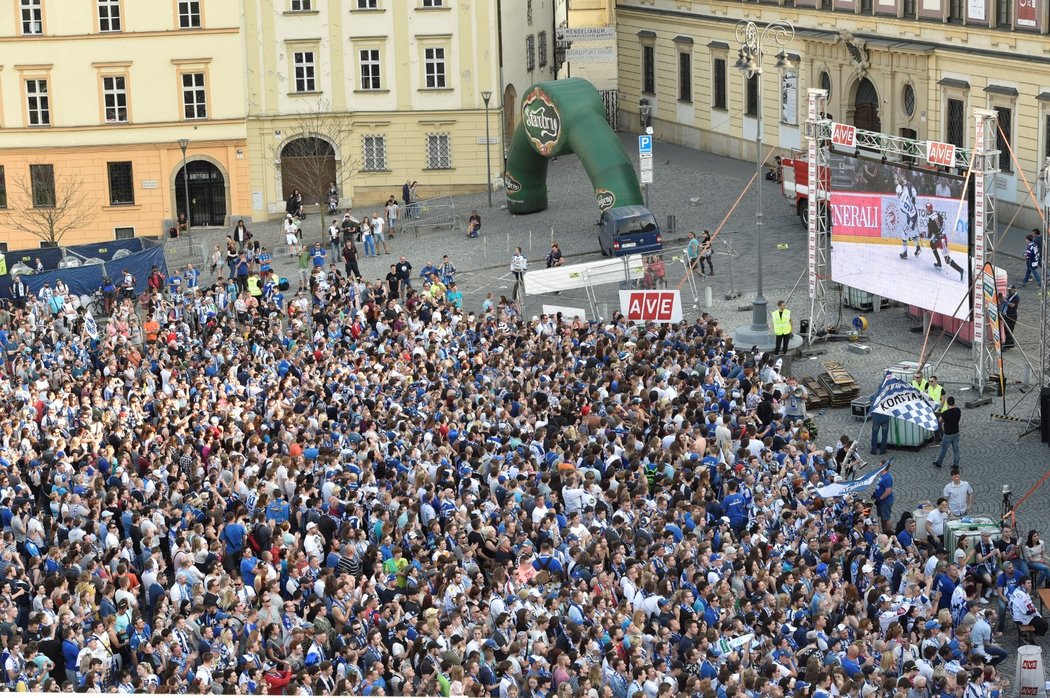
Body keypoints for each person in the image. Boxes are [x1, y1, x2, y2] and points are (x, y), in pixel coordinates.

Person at [924, 203, 964, 281]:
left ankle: (961, 270)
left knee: (947, 259)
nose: (927, 210)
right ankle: (939, 263)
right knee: (932, 243)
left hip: (942, 240)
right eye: (927, 208)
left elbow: (929, 235)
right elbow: (942, 223)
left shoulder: (930, 221)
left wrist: (922, 235)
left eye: (928, 209)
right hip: (942, 237)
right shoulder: (937, 214)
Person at [896, 170, 921, 259]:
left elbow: (904, 210)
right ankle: (918, 247)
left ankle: (905, 253)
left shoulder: (901, 205)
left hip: (911, 218)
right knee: (912, 232)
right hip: (913, 214)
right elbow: (909, 190)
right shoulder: (906, 191)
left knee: (904, 234)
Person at [934, 396, 962, 468]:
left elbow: (940, 420)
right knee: (956, 449)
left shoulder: (945, 413)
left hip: (948, 434)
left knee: (943, 449)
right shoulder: (958, 410)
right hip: (956, 432)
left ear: (947, 403)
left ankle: (939, 463)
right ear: (954, 403)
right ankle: (956, 464)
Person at [874, 459, 894, 535]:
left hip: (885, 501)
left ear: (883, 466)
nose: (878, 466)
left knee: (886, 518)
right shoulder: (882, 475)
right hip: (880, 500)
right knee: (882, 517)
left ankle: (889, 534)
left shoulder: (887, 477)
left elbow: (888, 491)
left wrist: (880, 499)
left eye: (880, 465)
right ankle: (884, 532)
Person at [1001, 284, 1019, 349]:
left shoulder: (1016, 297)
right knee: (1006, 330)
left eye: (1010, 290)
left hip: (1012, 316)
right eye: (1008, 290)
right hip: (1007, 314)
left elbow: (1012, 305)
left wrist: (1005, 301)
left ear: (1014, 289)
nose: (1009, 291)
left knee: (1009, 330)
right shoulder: (1010, 296)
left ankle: (1008, 344)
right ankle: (1010, 343)